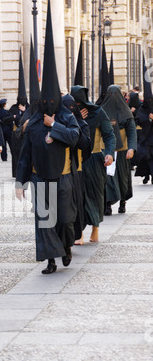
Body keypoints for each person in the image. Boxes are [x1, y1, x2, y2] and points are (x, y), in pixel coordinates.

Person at [16, 0, 80, 274]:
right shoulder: (32, 123)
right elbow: (24, 154)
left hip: (64, 176)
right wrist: (20, 182)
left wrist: (55, 124)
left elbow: (75, 138)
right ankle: (51, 260)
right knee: (44, 220)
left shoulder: (65, 117)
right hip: (40, 177)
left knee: (64, 219)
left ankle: (65, 247)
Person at [71, 85, 116, 243]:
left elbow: (109, 135)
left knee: (96, 195)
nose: (77, 108)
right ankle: (79, 233)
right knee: (78, 196)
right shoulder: (69, 115)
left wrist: (109, 153)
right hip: (76, 162)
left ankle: (95, 228)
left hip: (95, 160)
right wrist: (77, 120)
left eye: (78, 105)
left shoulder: (97, 112)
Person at [101, 85, 137, 215]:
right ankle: (107, 204)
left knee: (123, 178)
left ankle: (122, 202)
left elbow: (132, 132)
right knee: (108, 178)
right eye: (111, 95)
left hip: (122, 150)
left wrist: (131, 148)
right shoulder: (102, 111)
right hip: (107, 149)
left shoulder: (126, 113)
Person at [62, 94, 92, 245]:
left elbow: (85, 146)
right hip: (63, 171)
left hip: (78, 170)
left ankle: (78, 233)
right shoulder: (60, 124)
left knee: (78, 203)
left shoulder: (82, 124)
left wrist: (76, 126)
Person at [8, 49, 29, 177]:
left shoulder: (29, 108)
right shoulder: (13, 107)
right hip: (15, 134)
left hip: (26, 134)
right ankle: (15, 173)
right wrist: (15, 115)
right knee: (15, 154)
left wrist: (25, 111)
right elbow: (6, 118)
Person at [134, 56, 153, 185]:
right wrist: (148, 119)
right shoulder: (142, 108)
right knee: (145, 158)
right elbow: (138, 119)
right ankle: (146, 176)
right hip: (145, 140)